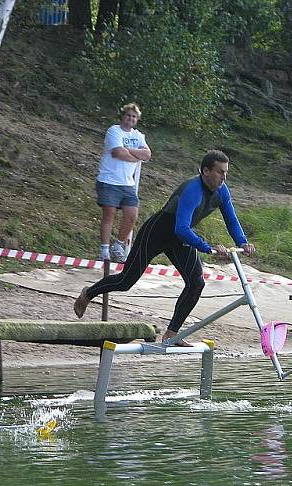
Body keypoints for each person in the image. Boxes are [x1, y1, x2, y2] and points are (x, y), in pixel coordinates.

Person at [74, 150, 256, 346]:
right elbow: (181, 228)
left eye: (226, 173)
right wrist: (207, 247)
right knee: (126, 281)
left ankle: (171, 334)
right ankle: (88, 293)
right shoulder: (192, 190)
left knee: (196, 283)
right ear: (205, 171)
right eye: (220, 172)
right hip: (157, 233)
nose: (224, 177)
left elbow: (231, 219)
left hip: (179, 239)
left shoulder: (222, 191)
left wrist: (242, 242)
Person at [95, 103, 151, 263]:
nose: (130, 118)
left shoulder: (139, 135)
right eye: (128, 115)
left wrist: (129, 151)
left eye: (134, 116)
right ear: (123, 116)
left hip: (127, 183)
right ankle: (104, 250)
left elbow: (147, 154)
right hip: (109, 179)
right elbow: (118, 152)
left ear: (137, 119)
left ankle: (118, 246)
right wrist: (134, 155)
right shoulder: (114, 131)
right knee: (109, 214)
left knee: (132, 215)